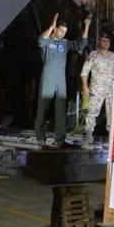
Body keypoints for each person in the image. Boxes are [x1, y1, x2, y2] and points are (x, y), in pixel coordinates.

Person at [35, 12, 90, 147]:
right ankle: (40, 137)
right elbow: (40, 41)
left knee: (60, 109)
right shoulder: (47, 41)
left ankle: (59, 138)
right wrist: (51, 26)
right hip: (48, 75)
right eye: (61, 31)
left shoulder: (64, 43)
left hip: (60, 78)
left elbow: (80, 45)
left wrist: (87, 26)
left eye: (65, 32)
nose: (63, 34)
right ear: (55, 29)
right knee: (42, 108)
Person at [80, 30, 114, 148]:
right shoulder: (93, 55)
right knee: (91, 113)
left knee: (112, 115)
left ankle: (111, 139)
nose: (105, 43)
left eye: (108, 41)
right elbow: (84, 73)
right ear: (100, 41)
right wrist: (85, 86)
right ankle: (88, 138)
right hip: (96, 90)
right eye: (103, 40)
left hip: (111, 91)